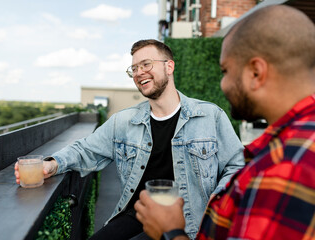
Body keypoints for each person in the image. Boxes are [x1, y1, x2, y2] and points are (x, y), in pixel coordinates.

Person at [14, 39, 244, 239]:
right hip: (135, 214)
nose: (139, 72)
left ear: (169, 66)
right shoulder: (123, 122)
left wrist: (218, 198)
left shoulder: (210, 116)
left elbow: (236, 164)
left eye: (146, 64)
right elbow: (86, 149)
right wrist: (52, 165)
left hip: (187, 221)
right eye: (133, 68)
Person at [134, 5, 315, 240]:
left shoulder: (286, 166)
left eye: (225, 71)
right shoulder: (294, 140)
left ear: (256, 73)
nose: (223, 84)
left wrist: (170, 231)